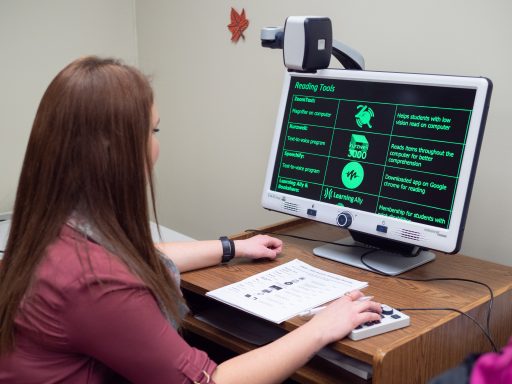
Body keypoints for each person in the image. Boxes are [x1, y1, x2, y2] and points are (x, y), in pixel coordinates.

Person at [0, 56, 382, 383]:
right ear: (112, 151)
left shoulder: (47, 226)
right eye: (153, 130)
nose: (156, 143)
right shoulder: (94, 282)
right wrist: (321, 328)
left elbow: (139, 253)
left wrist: (231, 247)